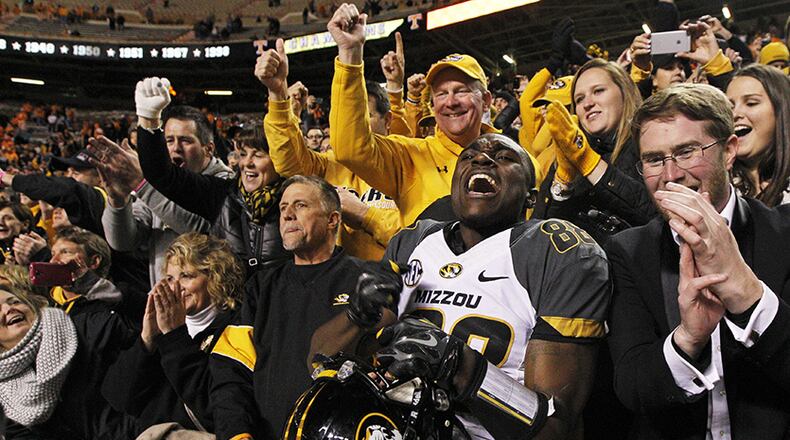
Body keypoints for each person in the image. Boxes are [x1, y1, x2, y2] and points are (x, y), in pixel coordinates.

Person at [312, 133, 611, 440]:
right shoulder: (415, 241)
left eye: (505, 158)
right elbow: (318, 362)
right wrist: (355, 316)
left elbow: (556, 427)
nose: (481, 159)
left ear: (531, 199)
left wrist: (459, 366)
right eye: (468, 157)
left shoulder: (557, 252)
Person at [607, 83, 790, 439]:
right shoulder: (627, 251)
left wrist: (747, 295)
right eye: (654, 159)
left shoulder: (786, 233)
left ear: (729, 151)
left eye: (688, 151)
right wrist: (688, 338)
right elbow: (632, 389)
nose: (671, 174)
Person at [210, 175, 386, 440]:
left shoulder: (368, 282)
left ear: (332, 220)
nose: (288, 215)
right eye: (283, 208)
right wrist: (237, 432)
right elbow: (230, 369)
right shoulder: (261, 287)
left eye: (301, 205)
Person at [327, 3, 498, 226]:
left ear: (486, 101)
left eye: (461, 90)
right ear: (433, 104)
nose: (451, 102)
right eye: (441, 93)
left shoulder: (514, 160)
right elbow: (350, 149)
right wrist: (350, 56)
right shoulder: (410, 157)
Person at [256, 38, 401, 261]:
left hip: (400, 285)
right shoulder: (328, 164)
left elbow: (423, 242)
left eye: (365, 117)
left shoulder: (404, 162)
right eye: (344, 118)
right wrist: (277, 94)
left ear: (387, 120)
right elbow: (288, 161)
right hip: (339, 286)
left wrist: (366, 216)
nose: (352, 126)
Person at [133, 77, 288, 276]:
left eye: (257, 155)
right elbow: (162, 174)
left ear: (278, 160)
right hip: (236, 306)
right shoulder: (224, 194)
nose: (247, 163)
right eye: (242, 154)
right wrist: (149, 119)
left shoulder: (293, 199)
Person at [102, 233, 243, 435]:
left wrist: (175, 335)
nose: (176, 287)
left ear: (215, 277)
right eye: (169, 278)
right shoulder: (163, 328)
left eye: (186, 276)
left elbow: (212, 408)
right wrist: (147, 340)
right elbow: (117, 397)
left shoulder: (234, 326)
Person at [92, 108, 233, 288]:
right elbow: (123, 242)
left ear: (208, 149)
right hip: (167, 303)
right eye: (169, 140)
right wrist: (118, 201)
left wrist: (140, 183)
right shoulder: (155, 184)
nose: (176, 148)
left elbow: (199, 232)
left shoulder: (226, 183)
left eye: (186, 140)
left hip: (213, 304)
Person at [0, 266, 138, 439]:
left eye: (14, 302)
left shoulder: (86, 327)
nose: (9, 309)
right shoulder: (5, 397)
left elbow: (141, 338)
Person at [532, 57, 655, 243]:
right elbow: (538, 234)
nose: (587, 103)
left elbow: (658, 216)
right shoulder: (570, 155)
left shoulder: (652, 142)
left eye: (598, 91)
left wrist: (590, 164)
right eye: (579, 99)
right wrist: (563, 182)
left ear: (625, 92)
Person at [726, 63, 790, 206]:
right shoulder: (721, 188)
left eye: (751, 103)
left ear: (782, 111)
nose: (735, 114)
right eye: (729, 107)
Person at [0, 200, 48, 266]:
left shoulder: (39, 247)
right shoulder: (3, 248)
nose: (0, 223)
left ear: (25, 224)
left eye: (8, 218)